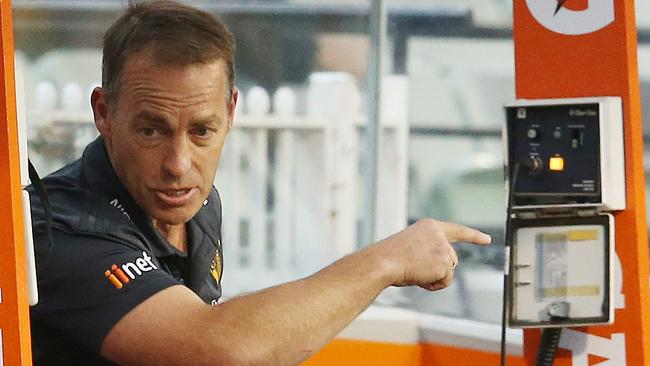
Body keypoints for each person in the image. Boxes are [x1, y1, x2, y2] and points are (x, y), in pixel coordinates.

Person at [28, 1, 491, 365]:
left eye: (202, 131)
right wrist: (387, 260)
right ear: (104, 113)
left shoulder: (198, 205)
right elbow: (215, 349)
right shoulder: (56, 228)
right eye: (152, 131)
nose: (178, 164)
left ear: (231, 112)